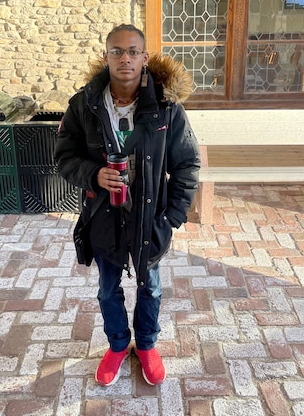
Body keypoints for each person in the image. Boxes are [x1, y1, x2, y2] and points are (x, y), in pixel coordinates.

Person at [54, 24, 200, 386]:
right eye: (117, 51)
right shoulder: (83, 105)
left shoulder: (167, 109)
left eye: (133, 51)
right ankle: (118, 345)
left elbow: (187, 165)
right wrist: (93, 174)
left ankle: (147, 344)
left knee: (150, 286)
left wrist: (172, 217)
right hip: (103, 217)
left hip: (150, 220)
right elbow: (63, 157)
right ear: (106, 56)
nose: (125, 58)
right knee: (107, 289)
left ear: (144, 58)